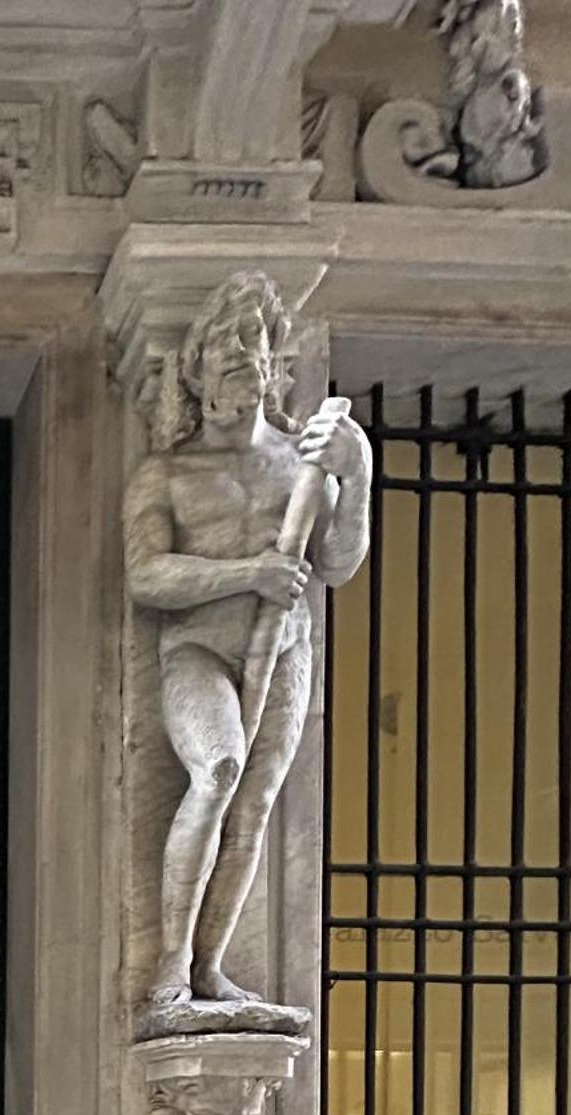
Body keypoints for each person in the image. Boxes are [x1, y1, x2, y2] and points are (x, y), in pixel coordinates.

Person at [125, 272, 371, 1012]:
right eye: (222, 348)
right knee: (219, 767)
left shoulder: (301, 463)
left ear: (272, 366)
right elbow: (146, 575)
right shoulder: (165, 474)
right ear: (193, 371)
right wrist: (247, 573)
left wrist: (355, 476)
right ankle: (168, 966)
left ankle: (209, 970)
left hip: (283, 651)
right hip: (197, 650)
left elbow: (334, 561)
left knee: (256, 804)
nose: (239, 357)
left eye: (252, 346)